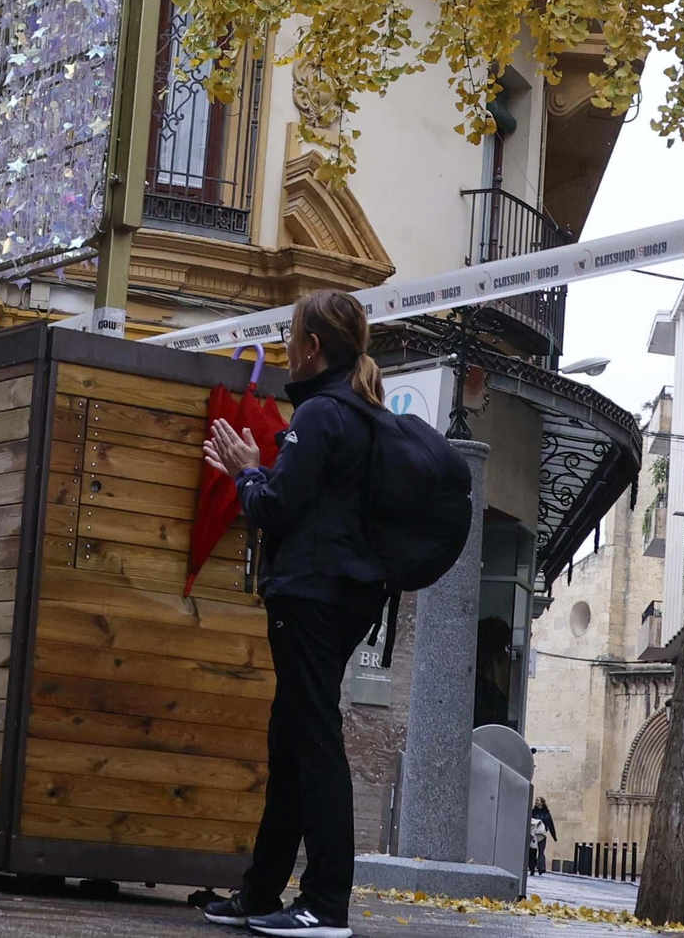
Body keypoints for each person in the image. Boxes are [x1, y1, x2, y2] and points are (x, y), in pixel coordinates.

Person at [199, 289, 390, 938]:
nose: (283, 345)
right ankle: (261, 891)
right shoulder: (358, 414)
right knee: (291, 740)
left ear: (312, 348)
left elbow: (276, 508)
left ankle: (326, 902)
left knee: (312, 741)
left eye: (289, 335)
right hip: (344, 593)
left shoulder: (324, 416)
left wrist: (249, 473)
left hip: (312, 595)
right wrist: (261, 471)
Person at [529, 797, 556, 875]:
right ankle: (532, 869)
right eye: (536, 800)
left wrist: (554, 836)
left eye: (538, 800)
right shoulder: (532, 812)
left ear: (542, 803)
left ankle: (541, 868)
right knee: (532, 851)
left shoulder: (546, 813)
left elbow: (550, 824)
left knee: (541, 851)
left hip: (542, 834)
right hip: (533, 834)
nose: (536, 802)